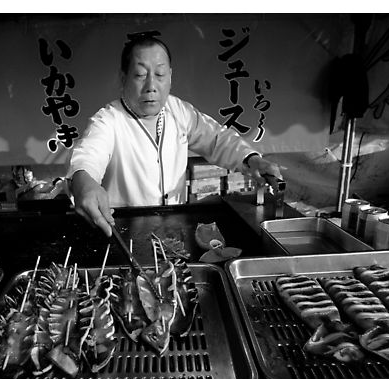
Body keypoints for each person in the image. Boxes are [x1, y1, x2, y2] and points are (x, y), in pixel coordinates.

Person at [66, 32, 282, 237]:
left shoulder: (178, 111)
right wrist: (85, 183)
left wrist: (251, 159)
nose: (151, 86)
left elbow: (217, 139)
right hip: (125, 234)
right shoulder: (109, 120)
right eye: (140, 75)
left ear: (170, 76)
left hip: (174, 232)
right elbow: (89, 155)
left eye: (159, 74)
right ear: (123, 78)